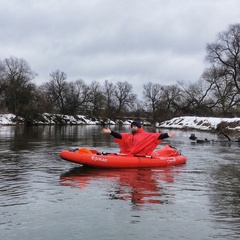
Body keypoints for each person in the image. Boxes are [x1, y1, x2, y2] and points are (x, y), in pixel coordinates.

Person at [102, 121, 174, 156]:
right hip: (128, 154)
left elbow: (157, 136)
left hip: (140, 155)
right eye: (132, 126)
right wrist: (111, 132)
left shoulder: (145, 135)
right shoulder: (129, 135)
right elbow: (120, 136)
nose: (133, 127)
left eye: (135, 126)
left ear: (139, 127)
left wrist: (167, 135)